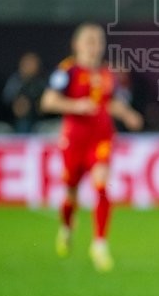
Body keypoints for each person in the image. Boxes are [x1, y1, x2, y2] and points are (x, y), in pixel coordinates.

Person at [40, 23, 143, 272]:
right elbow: (48, 102)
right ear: (77, 45)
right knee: (70, 193)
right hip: (74, 140)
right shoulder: (66, 71)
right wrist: (76, 106)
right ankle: (66, 227)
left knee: (101, 184)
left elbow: (111, 103)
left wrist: (128, 115)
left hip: (102, 138)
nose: (94, 46)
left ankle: (99, 243)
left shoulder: (108, 74)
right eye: (88, 40)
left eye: (97, 41)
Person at [3, 52, 46, 134]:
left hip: (39, 119)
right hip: (14, 120)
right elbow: (7, 100)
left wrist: (36, 106)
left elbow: (46, 104)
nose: (31, 66)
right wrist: (16, 105)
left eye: (33, 64)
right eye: (28, 64)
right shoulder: (15, 81)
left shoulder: (41, 82)